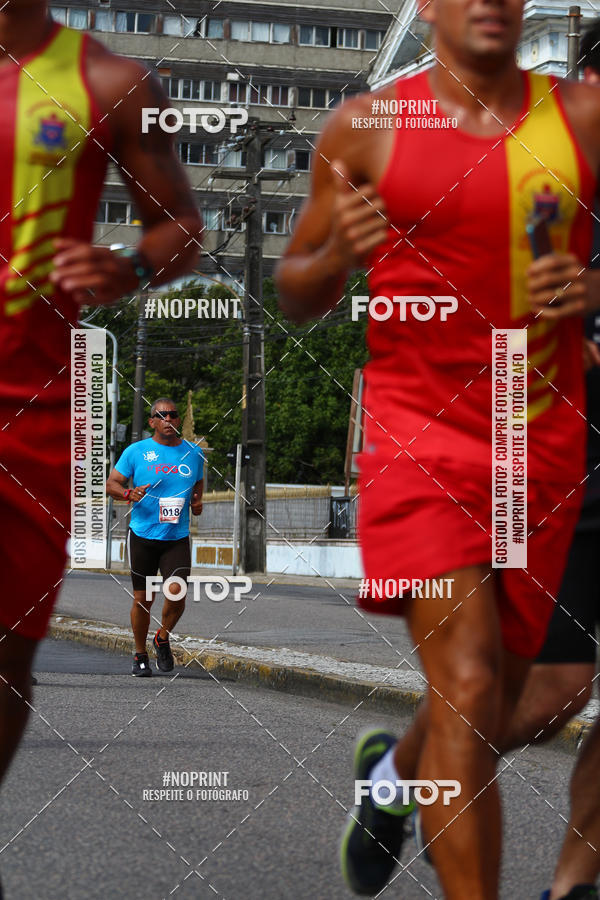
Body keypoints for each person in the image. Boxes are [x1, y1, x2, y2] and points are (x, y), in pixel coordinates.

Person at [275, 0, 600, 894]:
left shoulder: (579, 118)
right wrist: (332, 254)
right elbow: (295, 287)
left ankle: (390, 777)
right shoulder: (369, 127)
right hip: (419, 438)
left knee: (503, 697)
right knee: (463, 680)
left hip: (541, 442)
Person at [0, 0, 202, 872]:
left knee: (8, 657)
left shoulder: (114, 84)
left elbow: (181, 225)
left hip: (26, 413)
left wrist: (124, 264)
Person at [106, 398, 204, 676]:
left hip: (176, 536)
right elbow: (111, 483)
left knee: (177, 593)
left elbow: (197, 483)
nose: (169, 420)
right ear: (153, 422)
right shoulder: (137, 451)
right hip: (143, 535)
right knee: (143, 598)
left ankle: (162, 637)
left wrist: (197, 503)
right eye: (163, 416)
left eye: (173, 415)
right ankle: (139, 655)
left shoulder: (193, 454)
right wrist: (128, 493)